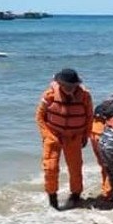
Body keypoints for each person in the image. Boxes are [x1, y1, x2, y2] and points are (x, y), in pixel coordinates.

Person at [35, 68, 93, 210]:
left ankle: (75, 195)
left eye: (72, 86)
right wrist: (48, 136)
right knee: (50, 167)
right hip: (53, 134)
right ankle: (52, 199)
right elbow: (39, 117)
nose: (69, 88)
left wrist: (86, 135)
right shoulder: (49, 95)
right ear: (59, 83)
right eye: (66, 86)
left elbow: (89, 117)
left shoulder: (85, 96)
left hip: (74, 136)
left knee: (75, 167)